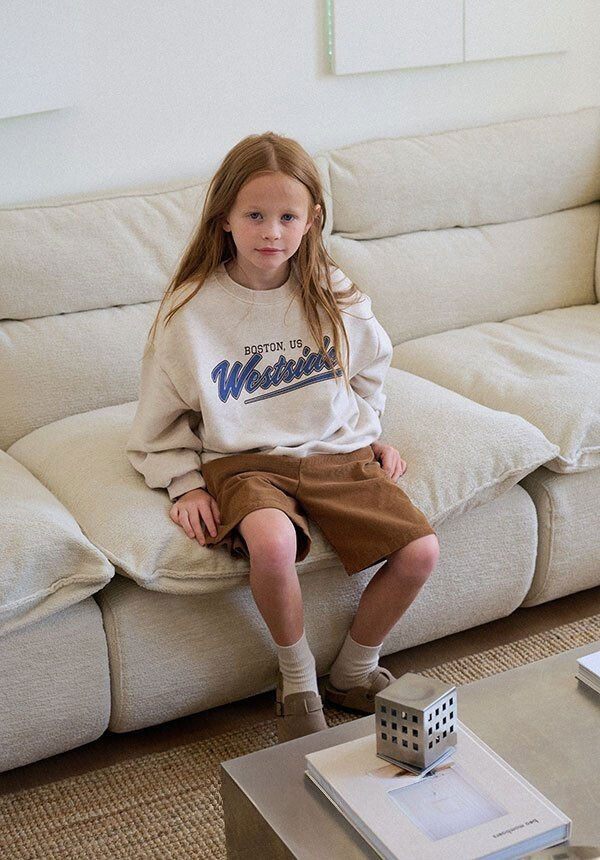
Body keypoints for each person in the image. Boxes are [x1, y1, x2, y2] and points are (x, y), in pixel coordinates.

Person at [126, 131, 440, 744]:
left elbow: (371, 368)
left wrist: (368, 431)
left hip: (335, 451)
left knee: (421, 552)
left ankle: (353, 671)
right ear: (224, 218)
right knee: (271, 545)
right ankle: (297, 681)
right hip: (245, 462)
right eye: (255, 216)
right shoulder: (191, 310)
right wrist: (185, 484)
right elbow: (160, 416)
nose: (271, 232)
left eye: (287, 217)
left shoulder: (334, 292)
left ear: (311, 220)